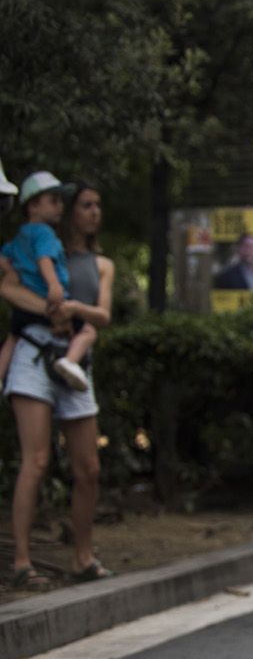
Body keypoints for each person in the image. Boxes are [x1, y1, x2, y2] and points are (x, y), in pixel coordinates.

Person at [4, 178, 116, 590]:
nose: (94, 212)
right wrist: (49, 310)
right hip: (35, 356)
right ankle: (21, 561)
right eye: (86, 204)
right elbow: (8, 287)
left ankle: (83, 557)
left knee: (88, 467)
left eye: (98, 205)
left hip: (75, 364)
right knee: (35, 462)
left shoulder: (101, 263)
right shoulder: (40, 248)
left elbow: (102, 316)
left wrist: (70, 310)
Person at [0, 172, 93, 392]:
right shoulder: (44, 234)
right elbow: (44, 259)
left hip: (26, 309)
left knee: (13, 337)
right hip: (49, 299)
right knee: (88, 331)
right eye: (54, 201)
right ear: (33, 206)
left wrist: (12, 270)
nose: (60, 206)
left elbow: (3, 258)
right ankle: (70, 361)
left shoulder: (21, 236)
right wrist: (53, 285)